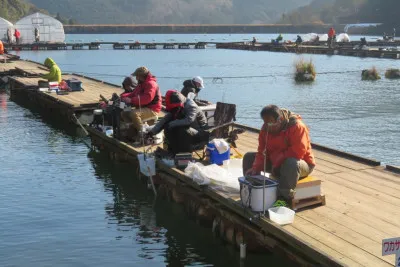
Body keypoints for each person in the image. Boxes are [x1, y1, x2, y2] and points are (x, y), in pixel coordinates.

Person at [242, 105, 316, 205]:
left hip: (301, 164)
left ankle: (283, 198)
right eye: (265, 122)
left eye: (271, 122)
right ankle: (250, 189)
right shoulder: (265, 129)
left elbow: (298, 152)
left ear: (280, 119)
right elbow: (262, 151)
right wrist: (255, 168)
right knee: (248, 157)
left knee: (291, 163)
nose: (268, 125)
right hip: (276, 163)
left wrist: (277, 163)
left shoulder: (297, 126)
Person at [147, 90, 208, 155]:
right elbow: (164, 120)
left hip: (200, 134)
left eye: (175, 107)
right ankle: (174, 151)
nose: (174, 109)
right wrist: (151, 132)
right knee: (168, 128)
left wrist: (171, 124)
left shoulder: (191, 106)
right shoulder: (176, 108)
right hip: (190, 132)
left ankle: (184, 153)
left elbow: (188, 121)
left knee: (181, 130)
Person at [121, 66, 162, 136]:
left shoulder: (151, 84)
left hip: (153, 109)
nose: (136, 78)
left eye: (137, 76)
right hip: (144, 108)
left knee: (134, 113)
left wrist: (131, 100)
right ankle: (131, 129)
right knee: (124, 112)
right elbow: (133, 93)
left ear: (141, 76)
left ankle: (142, 134)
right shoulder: (141, 84)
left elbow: (147, 98)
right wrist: (123, 96)